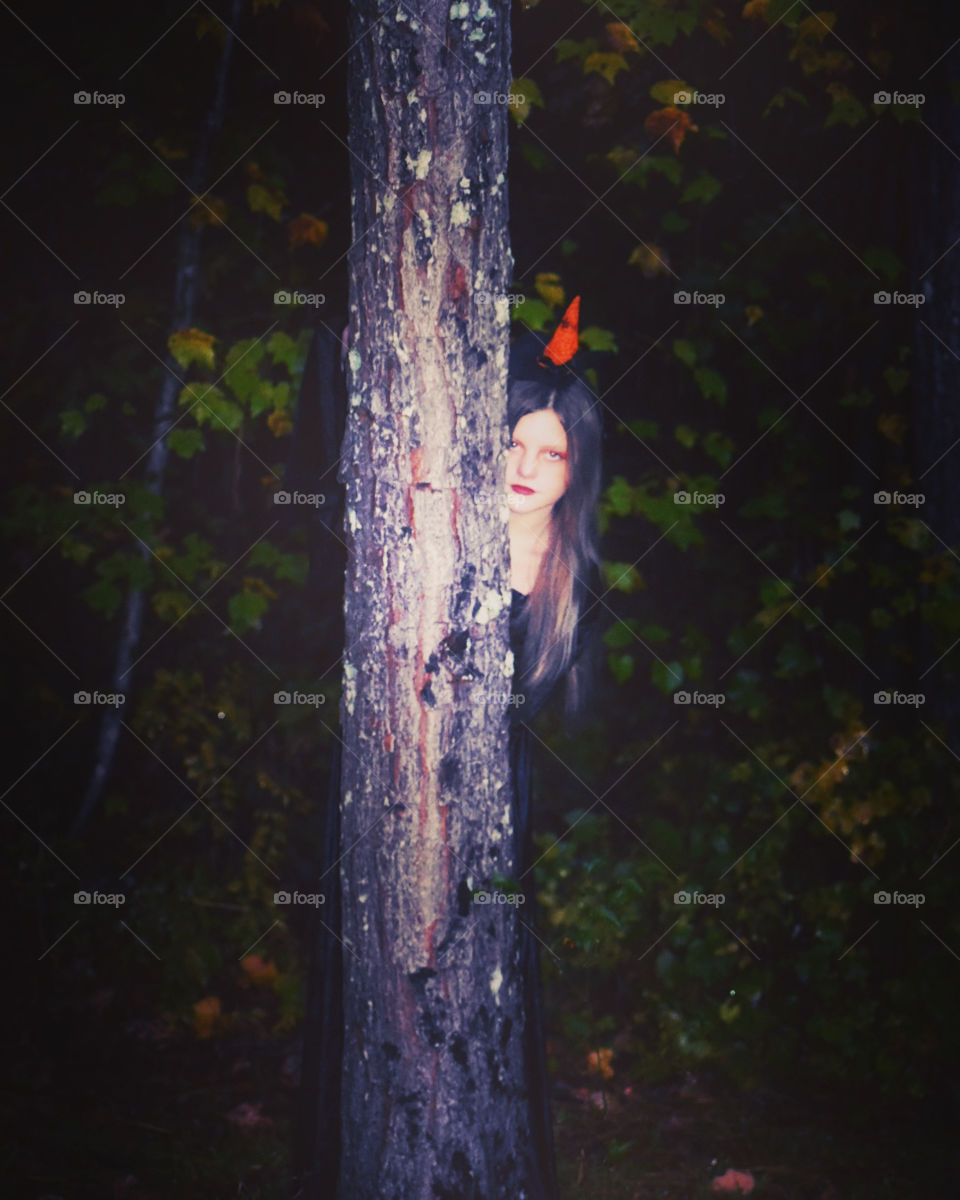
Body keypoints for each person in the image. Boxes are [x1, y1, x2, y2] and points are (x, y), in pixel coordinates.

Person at [295, 297, 604, 1200]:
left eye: (552, 453)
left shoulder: (572, 583)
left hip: (491, 806)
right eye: (512, 442)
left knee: (472, 998)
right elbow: (332, 510)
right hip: (392, 778)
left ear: (577, 469)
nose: (527, 467)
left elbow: (535, 715)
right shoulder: (435, 530)